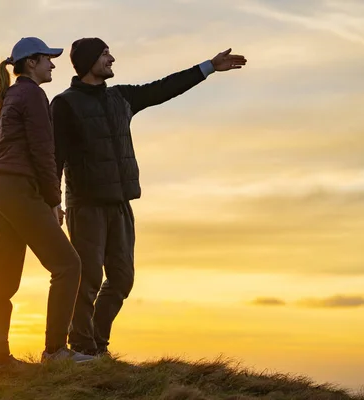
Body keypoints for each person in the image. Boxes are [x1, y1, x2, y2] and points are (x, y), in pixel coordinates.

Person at [50, 37, 247, 356]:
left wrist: (208, 67)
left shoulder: (122, 97)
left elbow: (163, 88)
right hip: (85, 204)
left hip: (120, 201)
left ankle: (95, 344)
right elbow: (54, 156)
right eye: (104, 54)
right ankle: (84, 348)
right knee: (86, 280)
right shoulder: (65, 103)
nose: (112, 58)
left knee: (122, 279)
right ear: (88, 61)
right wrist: (53, 201)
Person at [0, 37, 95, 373]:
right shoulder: (32, 93)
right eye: (48, 58)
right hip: (20, 190)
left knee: (2, 281)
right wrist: (52, 201)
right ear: (31, 62)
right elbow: (43, 151)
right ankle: (56, 351)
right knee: (68, 265)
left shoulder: (7, 99)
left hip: (1, 191)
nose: (53, 64)